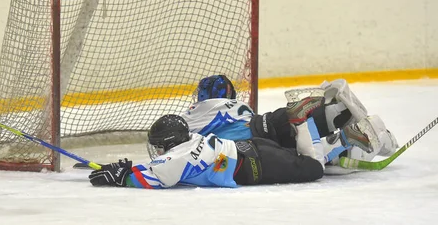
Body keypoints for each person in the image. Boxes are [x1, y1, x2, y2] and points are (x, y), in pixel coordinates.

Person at [147, 75, 399, 174]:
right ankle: (336, 109)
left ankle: (347, 135)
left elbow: (176, 139)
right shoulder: (234, 105)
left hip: (256, 141)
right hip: (268, 121)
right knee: (308, 128)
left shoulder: (196, 112)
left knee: (312, 160)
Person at [89, 114, 325, 188]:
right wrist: (127, 166)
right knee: (302, 159)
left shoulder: (177, 158)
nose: (158, 151)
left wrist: (121, 176)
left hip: (260, 165)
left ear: (170, 143)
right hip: (256, 147)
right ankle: (338, 139)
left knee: (316, 168)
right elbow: (160, 166)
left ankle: (304, 123)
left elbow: (150, 178)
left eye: (160, 146)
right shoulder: (190, 140)